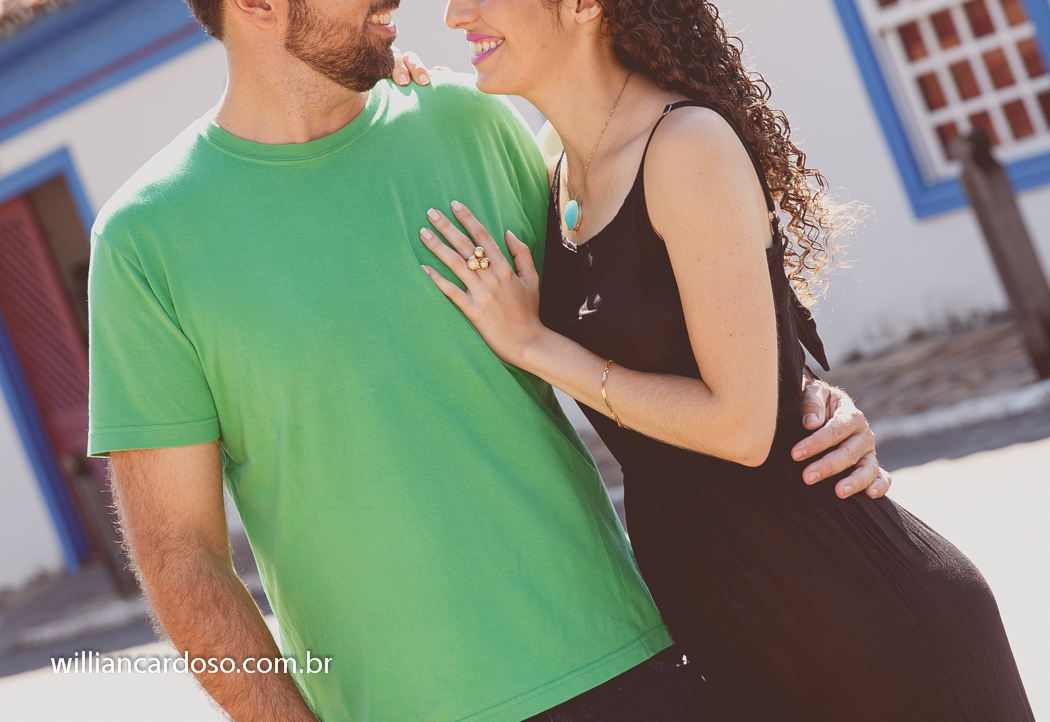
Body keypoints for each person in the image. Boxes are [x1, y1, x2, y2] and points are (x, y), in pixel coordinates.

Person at [88, 0, 887, 720]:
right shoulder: (146, 242)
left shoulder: (472, 124)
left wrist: (803, 397)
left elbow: (643, 311)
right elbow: (180, 554)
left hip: (635, 666)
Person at [429, 0, 1036, 720]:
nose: (453, 15)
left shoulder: (685, 146)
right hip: (725, 617)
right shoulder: (555, 173)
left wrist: (536, 346)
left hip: (854, 613)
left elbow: (743, 427)